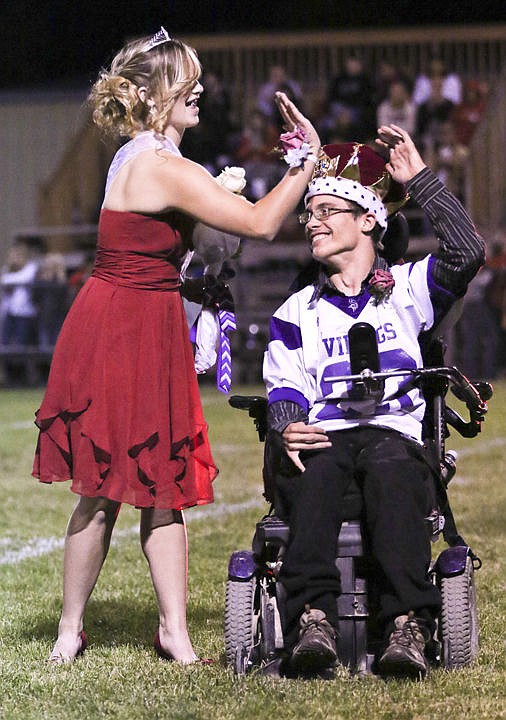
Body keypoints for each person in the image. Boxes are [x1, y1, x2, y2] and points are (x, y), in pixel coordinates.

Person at [32, 27, 321, 665]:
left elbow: (175, 241)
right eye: (187, 80)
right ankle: (71, 628)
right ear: (156, 94)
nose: (201, 90)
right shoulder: (162, 165)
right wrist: (307, 162)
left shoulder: (141, 155)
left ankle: (171, 633)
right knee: (103, 486)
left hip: (141, 319)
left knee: (161, 484)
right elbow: (262, 222)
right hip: (122, 327)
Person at [263, 124, 484, 678]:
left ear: (368, 220)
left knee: (390, 469)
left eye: (327, 210)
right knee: (315, 472)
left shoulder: (409, 288)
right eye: (308, 213)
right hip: (326, 436)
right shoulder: (295, 313)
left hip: (395, 434)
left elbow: (467, 251)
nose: (312, 221)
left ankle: (406, 624)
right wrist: (287, 425)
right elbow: (285, 385)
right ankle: (312, 617)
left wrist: (422, 182)